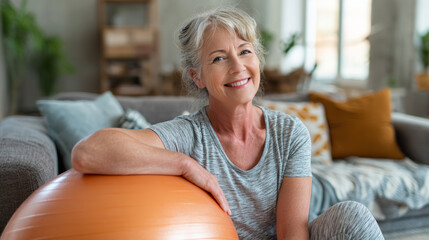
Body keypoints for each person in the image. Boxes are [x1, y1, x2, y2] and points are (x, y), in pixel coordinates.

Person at [72, 7, 384, 239]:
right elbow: (88, 152)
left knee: (352, 216)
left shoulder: (289, 133)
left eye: (245, 52)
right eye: (219, 58)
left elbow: (291, 234)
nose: (238, 67)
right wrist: (184, 164)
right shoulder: (190, 135)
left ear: (257, 61)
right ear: (198, 77)